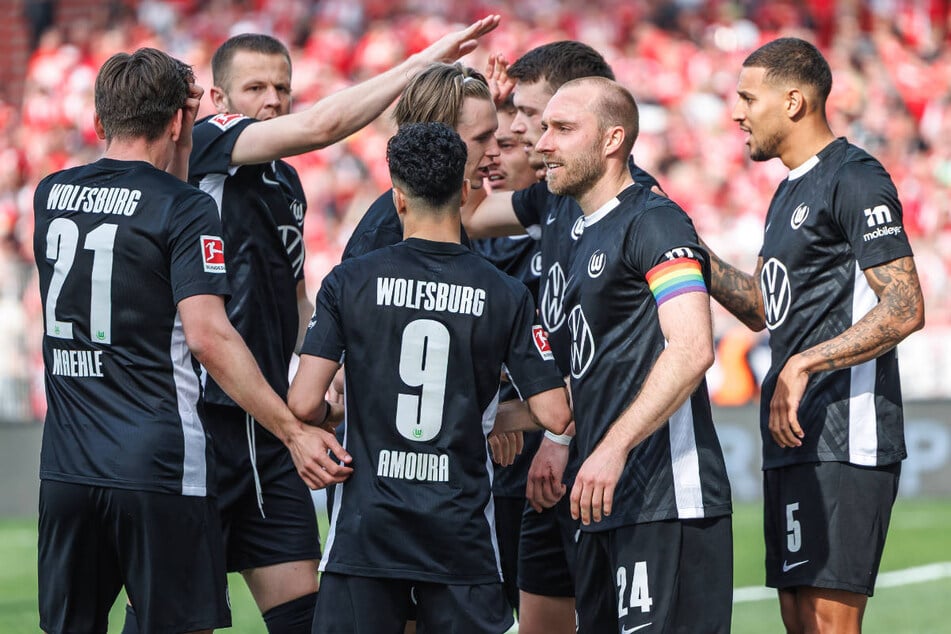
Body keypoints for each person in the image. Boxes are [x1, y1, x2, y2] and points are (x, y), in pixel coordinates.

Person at [122, 18, 501, 634]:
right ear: (218, 102)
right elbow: (323, 127)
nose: (271, 101)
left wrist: (328, 372)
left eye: (282, 88)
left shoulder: (285, 181)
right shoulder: (213, 144)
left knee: (307, 619)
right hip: (201, 423)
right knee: (171, 618)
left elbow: (298, 301)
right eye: (254, 89)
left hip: (272, 427)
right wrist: (427, 62)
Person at [34, 48, 339, 634]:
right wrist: (293, 429)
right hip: (158, 463)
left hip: (67, 465)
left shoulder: (51, 194)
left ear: (100, 123)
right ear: (181, 122)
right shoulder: (185, 205)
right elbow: (207, 336)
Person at [287, 122, 572, 634]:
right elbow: (555, 412)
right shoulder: (506, 293)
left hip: (366, 531)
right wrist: (482, 414)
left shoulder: (348, 281)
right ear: (464, 192)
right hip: (459, 533)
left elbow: (305, 403)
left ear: (397, 198)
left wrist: (348, 410)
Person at [704, 37, 925, 633]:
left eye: (749, 97)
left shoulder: (854, 178)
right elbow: (760, 307)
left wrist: (801, 366)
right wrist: (689, 253)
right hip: (794, 436)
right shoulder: (787, 191)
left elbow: (904, 307)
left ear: (795, 101)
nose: (737, 111)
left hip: (845, 436)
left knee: (829, 627)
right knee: (800, 623)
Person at [464, 40, 664, 634]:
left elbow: (633, 350)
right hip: (553, 453)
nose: (524, 130)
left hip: (606, 460)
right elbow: (468, 213)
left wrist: (555, 430)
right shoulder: (552, 197)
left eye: (534, 115)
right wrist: (477, 122)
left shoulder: (634, 209)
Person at [535, 76, 733, 632]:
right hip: (602, 497)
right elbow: (597, 367)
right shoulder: (578, 233)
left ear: (612, 140)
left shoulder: (653, 219)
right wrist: (560, 438)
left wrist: (613, 447)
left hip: (665, 498)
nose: (543, 142)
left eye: (562, 128)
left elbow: (693, 349)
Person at [472, 95, 544, 614]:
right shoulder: (471, 227)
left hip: (546, 441)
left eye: (511, 143)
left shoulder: (560, 218)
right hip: (487, 448)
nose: (498, 154)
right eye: (489, 142)